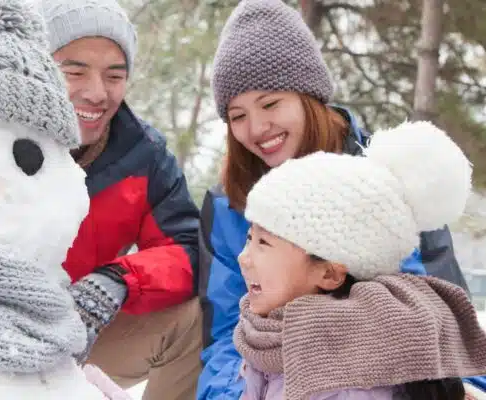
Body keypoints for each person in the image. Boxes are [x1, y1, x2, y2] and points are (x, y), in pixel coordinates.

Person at [197, 0, 471, 399]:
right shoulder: (228, 204)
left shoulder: (389, 181)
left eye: (271, 103)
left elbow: (441, 316)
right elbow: (223, 333)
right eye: (237, 116)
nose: (256, 128)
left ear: (309, 96)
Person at [234, 119, 486, 399]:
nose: (244, 258)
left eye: (264, 243)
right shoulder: (267, 336)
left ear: (330, 274)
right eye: (249, 238)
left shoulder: (349, 386)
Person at [38, 1, 203, 399]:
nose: (97, 93)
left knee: (194, 318)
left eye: (115, 75)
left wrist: (118, 280)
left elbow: (188, 248)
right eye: (74, 72)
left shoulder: (142, 156)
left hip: (79, 334)